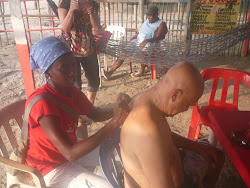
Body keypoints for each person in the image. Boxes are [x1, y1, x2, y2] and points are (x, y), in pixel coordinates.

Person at [26, 37, 131, 188]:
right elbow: (71, 153)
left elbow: (95, 114)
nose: (72, 72)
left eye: (73, 66)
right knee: (108, 185)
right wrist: (115, 122)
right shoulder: (43, 103)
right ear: (47, 72)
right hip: (50, 167)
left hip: (69, 152)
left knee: (121, 157)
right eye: (64, 68)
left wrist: (117, 108)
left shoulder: (71, 91)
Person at [120, 62, 225, 188]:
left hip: (178, 176)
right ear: (175, 95)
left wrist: (197, 147)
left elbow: (164, 136)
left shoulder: (145, 101)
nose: (186, 109)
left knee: (217, 156)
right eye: (188, 104)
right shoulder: (147, 130)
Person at [103, 6, 168, 79]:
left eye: (150, 15)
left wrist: (147, 40)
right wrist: (135, 36)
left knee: (143, 52)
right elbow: (141, 31)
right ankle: (110, 72)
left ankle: (141, 71)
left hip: (149, 45)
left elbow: (158, 38)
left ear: (156, 15)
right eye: (147, 15)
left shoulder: (161, 24)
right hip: (137, 42)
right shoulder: (147, 21)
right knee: (123, 53)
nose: (148, 17)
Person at [58, 0, 102, 104]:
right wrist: (72, 10)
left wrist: (91, 12)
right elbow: (65, 27)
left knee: (94, 80)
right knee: (74, 83)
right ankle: (78, 114)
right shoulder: (65, 3)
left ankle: (89, 106)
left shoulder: (93, 4)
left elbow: (96, 28)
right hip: (70, 51)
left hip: (89, 48)